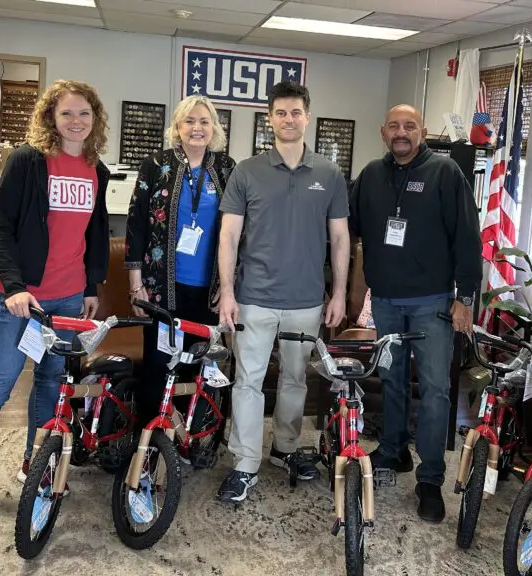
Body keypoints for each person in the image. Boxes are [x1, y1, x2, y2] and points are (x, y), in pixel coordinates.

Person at [0, 80, 111, 543]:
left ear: (95, 120)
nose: (76, 122)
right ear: (51, 116)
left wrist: (90, 286)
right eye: (67, 113)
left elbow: (96, 233)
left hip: (69, 299)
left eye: (84, 114)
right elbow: (2, 225)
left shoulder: (96, 169)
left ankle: (38, 461)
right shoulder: (28, 160)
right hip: (24, 298)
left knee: (51, 383)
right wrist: (12, 285)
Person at [216, 81, 350, 502]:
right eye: (281, 113)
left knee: (295, 380)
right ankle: (244, 463)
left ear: (307, 116)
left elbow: (341, 239)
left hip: (307, 300)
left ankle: (285, 449)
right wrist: (227, 291)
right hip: (254, 296)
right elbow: (228, 236)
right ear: (269, 119)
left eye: (296, 112)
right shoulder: (247, 171)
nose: (289, 120)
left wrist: (340, 293)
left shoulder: (329, 174)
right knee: (248, 382)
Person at [348, 104, 480, 523]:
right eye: (394, 126)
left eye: (410, 126)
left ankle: (430, 479)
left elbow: (467, 237)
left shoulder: (445, 173)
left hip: (432, 303)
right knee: (391, 378)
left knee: (436, 389)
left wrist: (466, 298)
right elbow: (348, 228)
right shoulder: (370, 175)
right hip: (385, 300)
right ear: (383, 132)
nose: (401, 132)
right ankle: (393, 451)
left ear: (422, 131)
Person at [125, 94, 237, 435]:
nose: (197, 128)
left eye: (204, 121)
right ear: (177, 127)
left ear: (214, 128)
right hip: (160, 289)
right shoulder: (156, 164)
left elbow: (236, 230)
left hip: (208, 290)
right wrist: (135, 283)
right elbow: (136, 223)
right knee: (159, 364)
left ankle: (188, 435)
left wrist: (229, 287)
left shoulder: (226, 168)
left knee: (197, 364)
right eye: (189, 121)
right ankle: (150, 437)